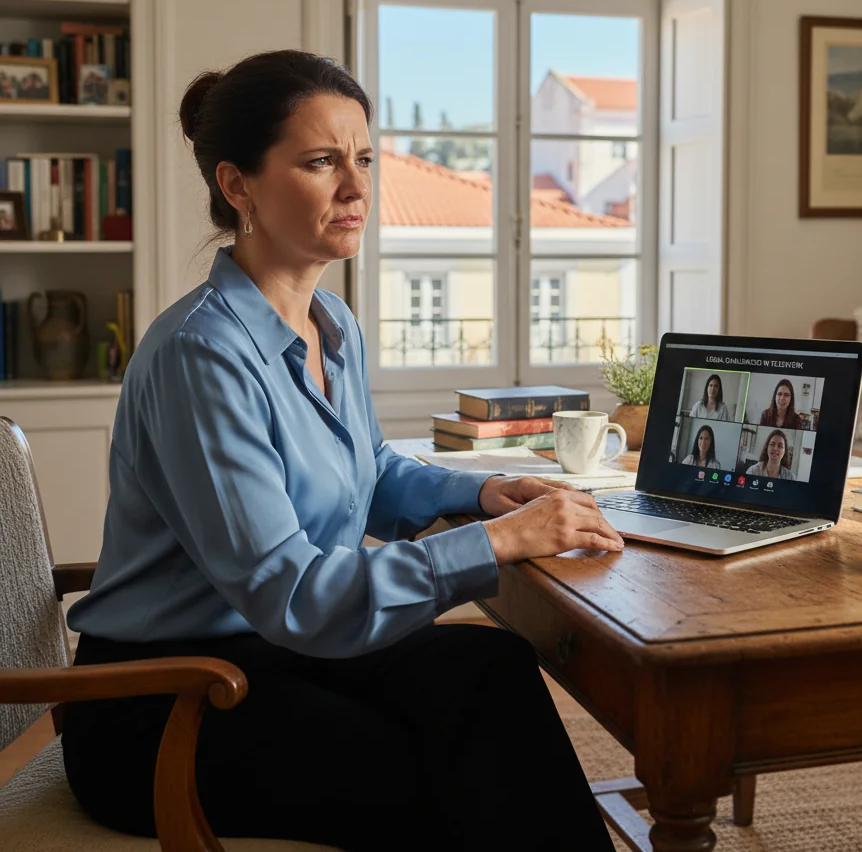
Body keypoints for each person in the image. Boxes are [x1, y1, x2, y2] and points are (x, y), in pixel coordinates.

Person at [60, 50, 621, 852]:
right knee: (436, 773)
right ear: (238, 185)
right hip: (162, 697)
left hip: (272, 650)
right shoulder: (200, 355)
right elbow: (293, 592)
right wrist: (494, 544)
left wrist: (479, 494)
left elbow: (367, 471)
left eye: (364, 159)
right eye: (322, 162)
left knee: (487, 671)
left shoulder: (333, 325)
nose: (357, 188)